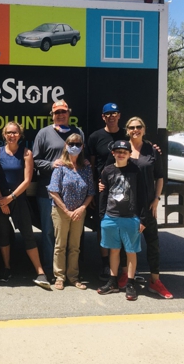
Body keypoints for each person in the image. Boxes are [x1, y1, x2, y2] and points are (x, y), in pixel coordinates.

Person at [0, 122, 51, 290]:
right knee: (4, 234)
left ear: (20, 135)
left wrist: (10, 198)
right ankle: (6, 268)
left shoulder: (26, 153)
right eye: (9, 133)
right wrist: (0, 199)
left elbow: (27, 181)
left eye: (15, 133)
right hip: (1, 199)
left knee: (28, 234)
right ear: (4, 134)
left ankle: (40, 272)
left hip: (18, 199)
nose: (12, 135)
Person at [33, 100, 85, 279]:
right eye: (57, 113)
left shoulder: (77, 133)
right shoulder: (43, 133)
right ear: (52, 115)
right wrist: (51, 164)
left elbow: (83, 158)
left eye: (63, 112)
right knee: (49, 233)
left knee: (70, 236)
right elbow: (35, 160)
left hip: (73, 195)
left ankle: (68, 273)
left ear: (68, 113)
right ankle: (50, 270)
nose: (60, 115)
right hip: (48, 192)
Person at [125, 116, 173, 299]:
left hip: (147, 205)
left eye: (138, 127)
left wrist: (156, 199)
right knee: (126, 244)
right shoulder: (122, 148)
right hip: (127, 206)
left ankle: (155, 280)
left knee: (152, 243)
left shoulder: (152, 150)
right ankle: (125, 277)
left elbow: (159, 176)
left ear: (144, 129)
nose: (135, 130)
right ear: (127, 130)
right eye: (131, 127)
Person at [97, 140, 146, 301]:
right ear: (113, 153)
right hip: (111, 216)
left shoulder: (136, 170)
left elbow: (142, 195)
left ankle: (130, 283)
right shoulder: (107, 171)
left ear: (129, 154)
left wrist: (142, 218)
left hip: (131, 217)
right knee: (114, 250)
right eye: (118, 151)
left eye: (124, 152)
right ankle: (112, 281)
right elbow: (103, 195)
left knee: (131, 251)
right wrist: (102, 215)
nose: (121, 154)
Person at [48, 134, 95, 290]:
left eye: (78, 143)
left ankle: (73, 277)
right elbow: (53, 191)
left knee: (75, 246)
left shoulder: (86, 167)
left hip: (79, 213)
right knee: (60, 245)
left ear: (82, 147)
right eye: (71, 143)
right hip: (61, 211)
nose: (74, 146)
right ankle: (59, 277)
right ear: (66, 146)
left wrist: (82, 208)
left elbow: (91, 192)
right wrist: (66, 210)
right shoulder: (60, 166)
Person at [87, 102, 125, 281]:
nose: (111, 116)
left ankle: (123, 266)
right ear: (103, 117)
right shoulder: (95, 137)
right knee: (103, 226)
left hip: (125, 187)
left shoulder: (126, 135)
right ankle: (105, 264)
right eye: (107, 114)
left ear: (119, 116)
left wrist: (154, 148)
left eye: (114, 113)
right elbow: (92, 165)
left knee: (123, 225)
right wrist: (93, 188)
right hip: (103, 188)